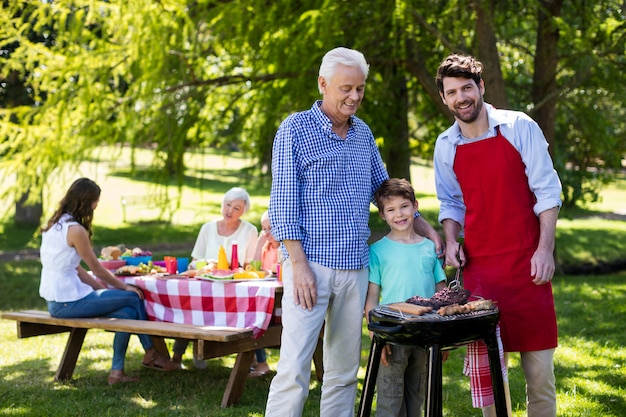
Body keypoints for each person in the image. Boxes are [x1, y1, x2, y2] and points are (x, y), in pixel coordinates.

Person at [265, 46, 442, 417]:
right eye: (346, 88)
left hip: (355, 267)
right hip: (308, 265)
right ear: (323, 83)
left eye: (360, 88)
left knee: (344, 372)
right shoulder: (294, 130)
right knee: (294, 369)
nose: (354, 96)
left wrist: (429, 231)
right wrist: (297, 265)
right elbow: (283, 203)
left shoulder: (363, 133)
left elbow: (385, 192)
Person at [433, 53, 562, 417]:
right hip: (481, 274)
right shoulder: (446, 145)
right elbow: (451, 203)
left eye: (467, 88)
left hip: (528, 265)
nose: (462, 97)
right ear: (444, 98)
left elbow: (547, 192)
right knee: (489, 378)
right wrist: (452, 239)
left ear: (481, 87)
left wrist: (545, 250)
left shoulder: (519, 126)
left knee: (539, 374)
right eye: (452, 91)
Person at [39, 178, 179, 386]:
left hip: (58, 300)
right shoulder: (76, 230)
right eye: (96, 201)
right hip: (68, 301)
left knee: (128, 313)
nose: (97, 205)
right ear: (85, 202)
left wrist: (103, 290)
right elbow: (96, 268)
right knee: (133, 297)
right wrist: (124, 287)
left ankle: (117, 373)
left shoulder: (54, 226)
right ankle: (152, 352)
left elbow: (77, 269)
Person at [364, 178, 447, 417]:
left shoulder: (429, 248)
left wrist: (442, 335)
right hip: (392, 336)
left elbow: (441, 293)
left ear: (415, 206)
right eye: (390, 210)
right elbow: (372, 298)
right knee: (390, 402)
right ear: (382, 215)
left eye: (404, 206)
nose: (398, 214)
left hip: (426, 334)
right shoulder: (377, 250)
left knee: (418, 396)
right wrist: (376, 335)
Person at [172, 186, 258, 369]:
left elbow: (249, 264)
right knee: (188, 306)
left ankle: (251, 359)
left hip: (234, 286)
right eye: (228, 205)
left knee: (249, 310)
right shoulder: (208, 228)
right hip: (204, 283)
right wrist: (209, 264)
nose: (230, 211)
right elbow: (195, 260)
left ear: (244, 211)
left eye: (237, 208)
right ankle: (177, 356)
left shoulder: (250, 230)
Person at [248, 210, 279, 377]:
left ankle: (261, 363)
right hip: (266, 299)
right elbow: (253, 268)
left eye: (271, 228)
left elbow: (277, 270)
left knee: (254, 318)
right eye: (263, 228)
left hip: (279, 303)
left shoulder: (284, 248)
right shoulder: (266, 247)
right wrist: (259, 244)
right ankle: (255, 360)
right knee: (250, 314)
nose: (267, 233)